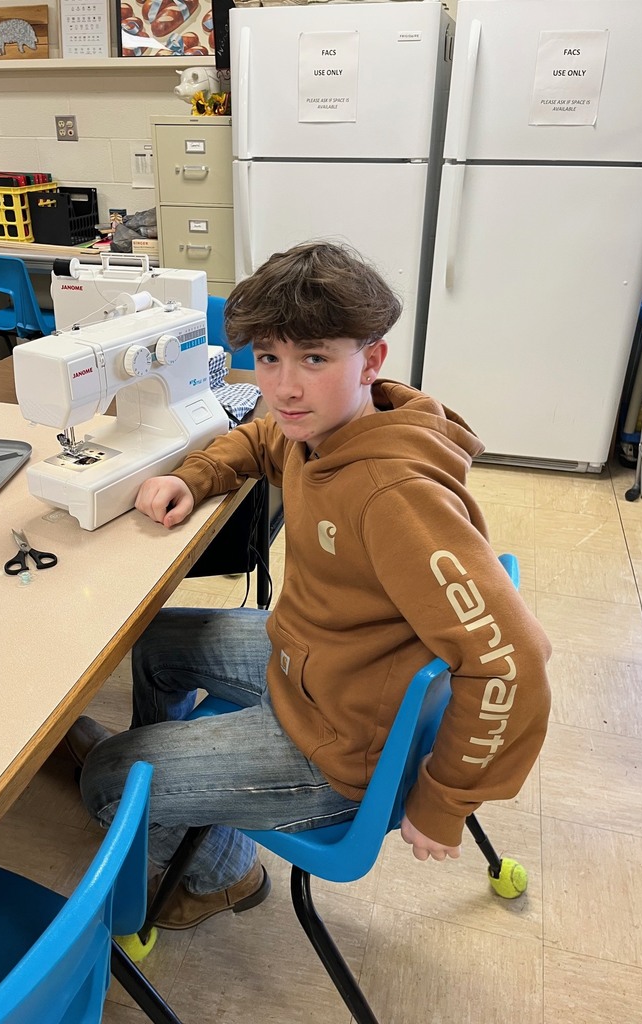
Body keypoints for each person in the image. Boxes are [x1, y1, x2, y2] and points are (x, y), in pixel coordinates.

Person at [69, 241, 551, 931]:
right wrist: (196, 474)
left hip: (339, 742)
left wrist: (443, 801)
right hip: (319, 663)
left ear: (372, 360)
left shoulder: (392, 495)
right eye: (269, 357)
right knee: (155, 642)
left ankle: (218, 871)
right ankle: (173, 781)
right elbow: (264, 438)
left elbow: (515, 661)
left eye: (314, 358)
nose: (284, 386)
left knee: (103, 780)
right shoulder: (324, 426)